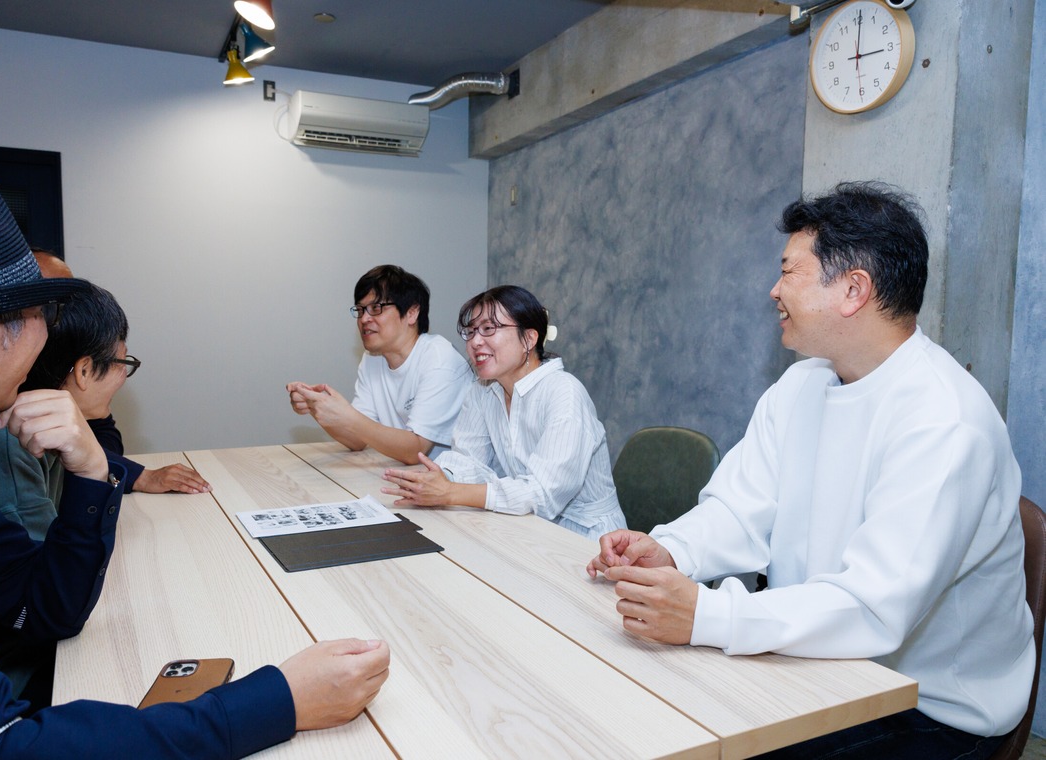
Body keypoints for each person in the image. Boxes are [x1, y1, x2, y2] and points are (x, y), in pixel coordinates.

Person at [0, 172, 389, 758]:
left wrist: (94, 472)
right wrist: (278, 703)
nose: (51, 333)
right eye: (42, 311)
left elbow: (46, 609)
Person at [587, 182, 1033, 759]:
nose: (774, 291)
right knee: (637, 711)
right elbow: (740, 508)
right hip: (815, 663)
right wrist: (672, 550)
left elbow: (872, 608)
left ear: (853, 290)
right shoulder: (801, 383)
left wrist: (708, 615)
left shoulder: (945, 420)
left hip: (930, 706)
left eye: (789, 272)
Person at [381, 285, 627, 540]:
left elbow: (543, 494)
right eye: (471, 331)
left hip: (590, 539)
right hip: (526, 527)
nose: (475, 342)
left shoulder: (564, 392)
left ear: (529, 339)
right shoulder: (483, 390)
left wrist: (450, 492)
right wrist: (438, 478)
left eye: (489, 329)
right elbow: (468, 461)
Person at [28, 247, 211, 496]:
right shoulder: (13, 411)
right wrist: (139, 476)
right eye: (51, 300)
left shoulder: (71, 381)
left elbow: (103, 435)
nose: (67, 308)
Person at [287, 264, 471, 464]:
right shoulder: (372, 359)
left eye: (376, 308)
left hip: (452, 478)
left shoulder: (439, 359)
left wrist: (348, 417)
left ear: (412, 313)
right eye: (360, 310)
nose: (364, 319)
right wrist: (318, 406)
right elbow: (357, 439)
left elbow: (415, 451)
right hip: (404, 472)